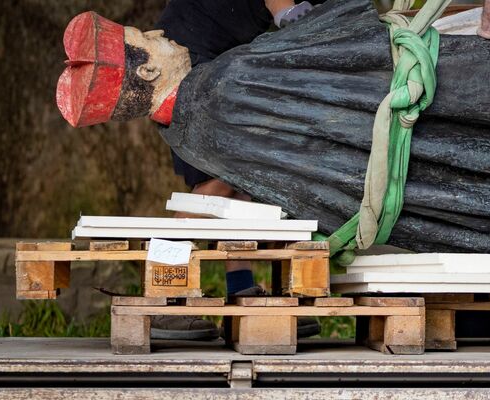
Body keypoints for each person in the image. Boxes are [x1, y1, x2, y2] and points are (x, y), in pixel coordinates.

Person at [57, 0, 320, 340]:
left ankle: (241, 295)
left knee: (238, 184)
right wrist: (289, 14)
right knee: (219, 181)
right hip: (183, 61)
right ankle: (163, 293)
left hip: (200, 55)